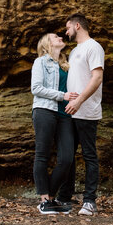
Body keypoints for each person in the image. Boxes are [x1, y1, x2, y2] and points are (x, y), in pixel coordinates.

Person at [56, 13, 104, 216]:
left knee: (89, 155)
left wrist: (79, 101)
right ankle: (65, 197)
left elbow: (97, 77)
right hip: (70, 112)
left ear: (78, 26)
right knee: (68, 155)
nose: (66, 32)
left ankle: (90, 201)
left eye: (68, 28)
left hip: (86, 111)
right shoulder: (75, 50)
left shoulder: (93, 47)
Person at [31, 33, 79, 215]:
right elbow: (35, 88)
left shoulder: (66, 65)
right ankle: (44, 200)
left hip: (65, 115)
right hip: (44, 111)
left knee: (67, 157)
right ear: (47, 43)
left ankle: (50, 199)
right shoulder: (40, 62)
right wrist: (62, 96)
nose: (60, 37)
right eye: (55, 36)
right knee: (42, 155)